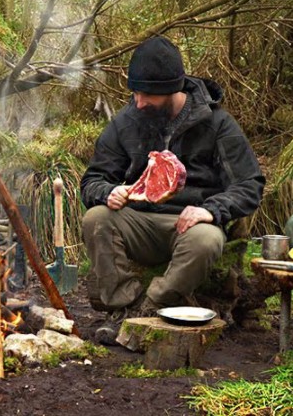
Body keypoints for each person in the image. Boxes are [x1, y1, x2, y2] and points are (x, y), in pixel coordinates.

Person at [80, 35, 264, 345]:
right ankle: (124, 308)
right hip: (141, 224)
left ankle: (153, 306)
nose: (138, 103)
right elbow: (93, 179)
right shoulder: (126, 122)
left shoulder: (217, 123)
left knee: (206, 240)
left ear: (172, 89)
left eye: (147, 95)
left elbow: (250, 184)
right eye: (135, 93)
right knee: (96, 218)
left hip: (190, 226)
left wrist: (211, 210)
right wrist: (106, 191)